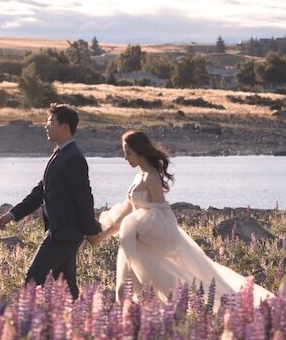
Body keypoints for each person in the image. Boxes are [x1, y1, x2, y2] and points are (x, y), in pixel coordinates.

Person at [96, 129, 274, 305]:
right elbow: (127, 212)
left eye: (128, 153)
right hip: (131, 244)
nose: (125, 157)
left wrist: (140, 229)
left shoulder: (151, 177)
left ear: (140, 151)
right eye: (124, 153)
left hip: (144, 245)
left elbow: (161, 212)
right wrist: (101, 237)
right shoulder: (138, 177)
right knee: (126, 291)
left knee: (149, 290)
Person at [0, 103, 101, 299]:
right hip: (62, 232)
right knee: (67, 289)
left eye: (51, 121)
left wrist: (91, 230)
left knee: (32, 281)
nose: (46, 125)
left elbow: (84, 197)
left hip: (63, 234)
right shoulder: (59, 154)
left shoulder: (73, 158)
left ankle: (23, 322)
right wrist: (13, 214)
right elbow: (40, 192)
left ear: (65, 127)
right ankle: (82, 324)